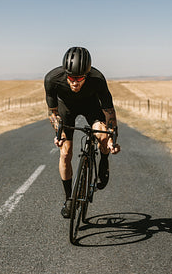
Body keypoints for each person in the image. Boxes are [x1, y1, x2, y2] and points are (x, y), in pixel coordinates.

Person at [44, 47, 121, 218]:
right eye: (71, 78)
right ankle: (69, 199)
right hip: (66, 110)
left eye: (79, 79)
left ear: (87, 75)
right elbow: (53, 112)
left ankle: (104, 161)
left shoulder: (98, 78)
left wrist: (112, 139)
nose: (74, 83)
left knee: (102, 136)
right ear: (65, 73)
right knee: (65, 153)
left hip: (91, 107)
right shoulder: (52, 79)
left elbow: (109, 111)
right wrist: (58, 133)